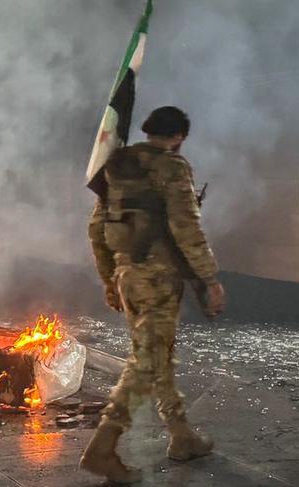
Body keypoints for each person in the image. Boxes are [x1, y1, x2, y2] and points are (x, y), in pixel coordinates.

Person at [80, 106, 226, 484]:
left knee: (157, 356)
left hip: (128, 275)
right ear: (178, 136)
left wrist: (110, 280)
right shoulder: (172, 168)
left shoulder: (117, 165)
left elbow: (97, 227)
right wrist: (209, 279)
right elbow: (186, 226)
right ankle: (103, 448)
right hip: (159, 278)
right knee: (146, 362)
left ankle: (181, 434)